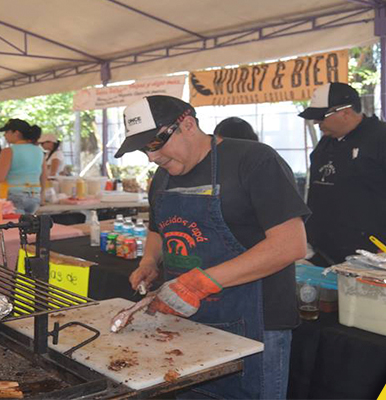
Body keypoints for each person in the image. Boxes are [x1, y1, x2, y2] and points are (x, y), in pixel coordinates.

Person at [115, 95, 309, 399]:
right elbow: (159, 228)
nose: (151, 158)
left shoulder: (254, 160)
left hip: (254, 324)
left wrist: (199, 283)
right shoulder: (162, 177)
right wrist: (150, 261)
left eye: (155, 144)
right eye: (144, 149)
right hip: (186, 321)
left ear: (187, 124)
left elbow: (290, 245)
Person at [298, 82, 386, 266]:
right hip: (323, 252)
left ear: (345, 112)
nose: (317, 123)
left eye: (321, 117)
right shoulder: (326, 142)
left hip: (373, 253)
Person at [0, 119, 46, 214]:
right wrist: (43, 195)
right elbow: (44, 176)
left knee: (15, 228)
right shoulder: (39, 151)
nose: (4, 135)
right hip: (35, 196)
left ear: (16, 133)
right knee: (29, 227)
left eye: (7, 132)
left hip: (15, 195)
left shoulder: (8, 151)